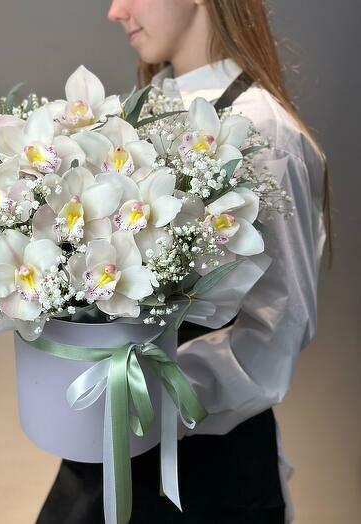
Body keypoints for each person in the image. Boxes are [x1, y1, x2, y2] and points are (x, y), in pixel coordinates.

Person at [36, 1, 332, 523]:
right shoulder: (146, 107)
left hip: (203, 465)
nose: (115, 11)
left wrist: (147, 394)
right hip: (110, 448)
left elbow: (278, 327)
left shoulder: (262, 129)